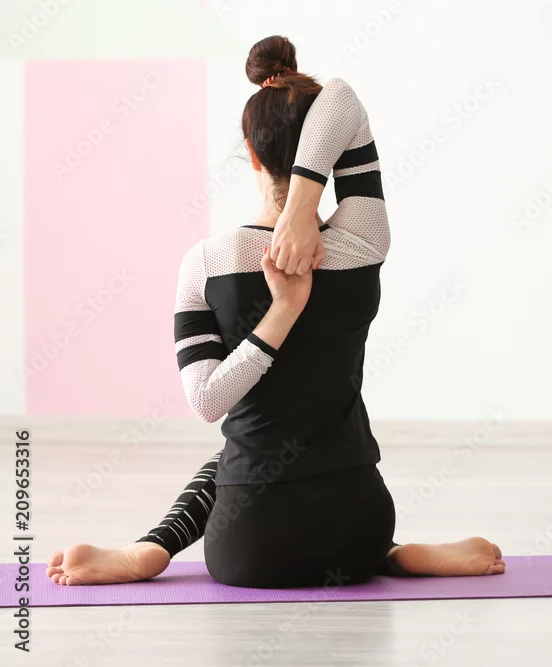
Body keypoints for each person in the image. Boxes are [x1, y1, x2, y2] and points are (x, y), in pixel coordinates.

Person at [45, 35, 504, 588]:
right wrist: (307, 205)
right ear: (329, 149)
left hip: (253, 548)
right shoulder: (364, 241)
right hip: (358, 529)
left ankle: (150, 548)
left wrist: (282, 310)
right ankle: (392, 551)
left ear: (251, 152)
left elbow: (207, 402)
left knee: (235, 452)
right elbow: (342, 97)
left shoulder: (207, 263)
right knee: (305, 446)